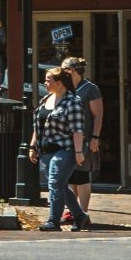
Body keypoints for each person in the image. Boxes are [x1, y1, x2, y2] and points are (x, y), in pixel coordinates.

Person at [28, 66, 91, 232]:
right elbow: (37, 126)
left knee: (54, 182)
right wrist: (32, 146)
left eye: (48, 80)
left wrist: (78, 153)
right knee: (60, 185)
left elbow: (77, 129)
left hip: (66, 148)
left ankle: (53, 221)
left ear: (60, 83)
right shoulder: (46, 99)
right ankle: (80, 216)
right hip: (46, 149)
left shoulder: (72, 101)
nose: (45, 82)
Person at [63, 55, 104, 217]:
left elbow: (98, 115)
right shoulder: (64, 87)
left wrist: (95, 137)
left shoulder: (89, 88)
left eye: (64, 68)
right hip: (67, 139)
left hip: (84, 139)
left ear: (72, 70)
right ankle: (71, 210)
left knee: (81, 175)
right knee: (69, 176)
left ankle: (83, 211)